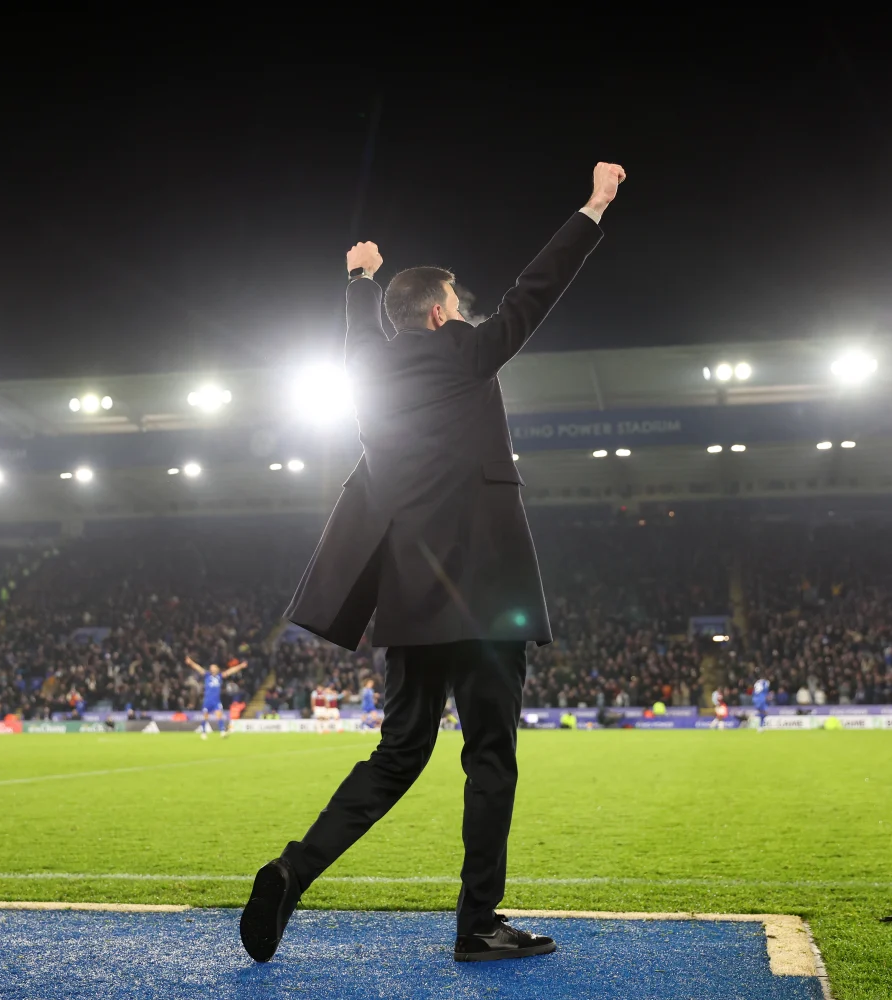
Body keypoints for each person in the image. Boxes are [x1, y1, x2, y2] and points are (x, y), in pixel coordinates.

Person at [240, 161, 626, 965]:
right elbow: (537, 287)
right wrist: (592, 207)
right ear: (445, 312)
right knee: (489, 757)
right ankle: (477, 925)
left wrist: (359, 278)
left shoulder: (365, 372)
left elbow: (362, 337)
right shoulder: (468, 352)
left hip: (408, 606)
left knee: (396, 757)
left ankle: (293, 869)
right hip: (486, 602)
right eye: (462, 305)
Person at [184, 655, 247, 740]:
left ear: (217, 669)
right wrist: (190, 662)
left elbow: (231, 671)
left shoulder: (220, 676)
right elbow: (198, 668)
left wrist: (240, 666)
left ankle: (222, 732)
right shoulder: (207, 675)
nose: (212, 669)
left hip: (216, 701)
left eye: (214, 667)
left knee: (219, 716)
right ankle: (203, 732)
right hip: (207, 700)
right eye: (211, 667)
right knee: (205, 717)